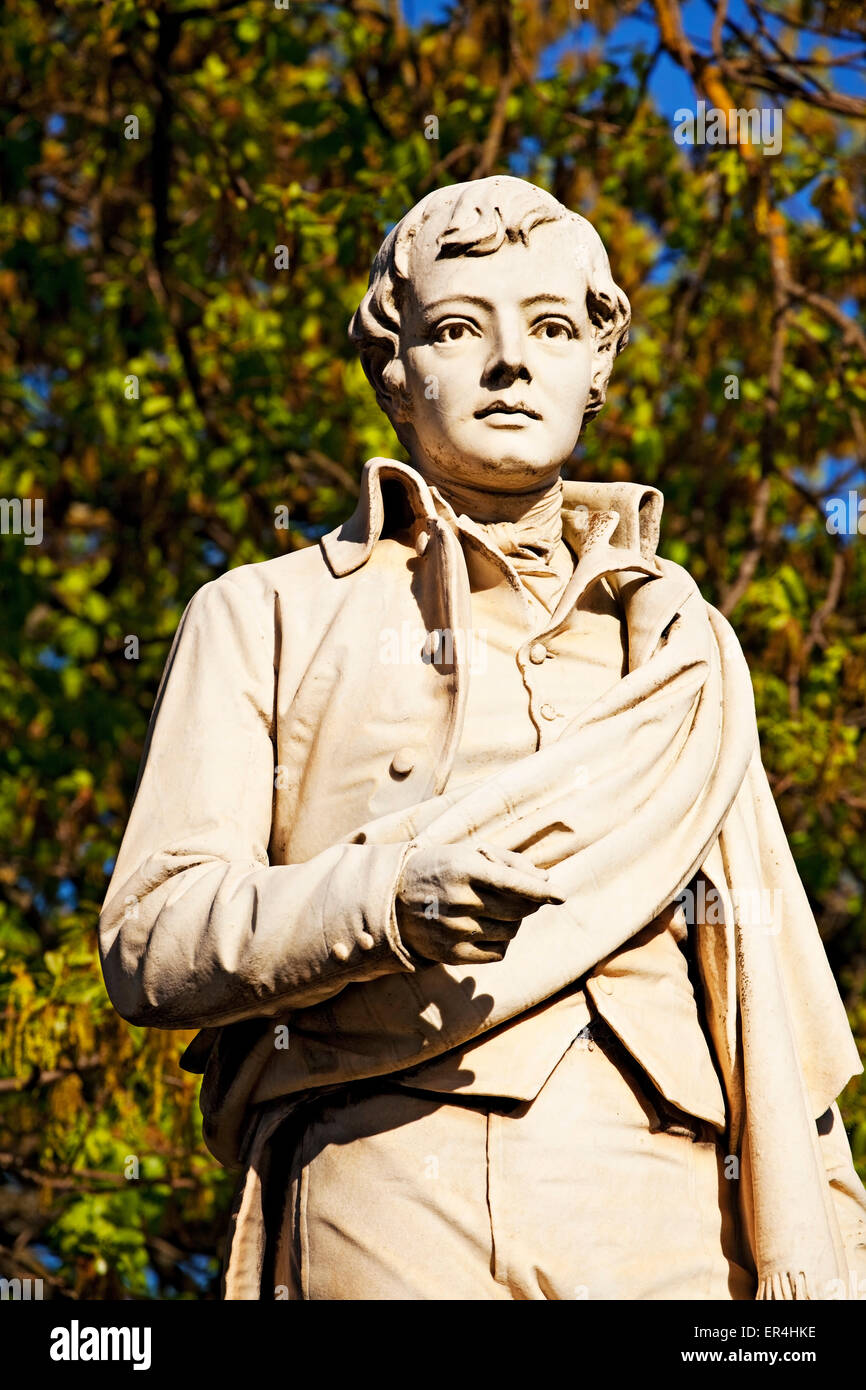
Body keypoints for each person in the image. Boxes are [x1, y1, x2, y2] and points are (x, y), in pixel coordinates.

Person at [99, 175, 866, 1300]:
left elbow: (767, 980)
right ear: (394, 371)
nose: (512, 364)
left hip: (672, 1195)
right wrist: (384, 902)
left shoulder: (681, 641)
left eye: (551, 329)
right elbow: (152, 938)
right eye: (460, 329)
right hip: (389, 1162)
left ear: (594, 369)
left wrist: (827, 1241)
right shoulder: (265, 611)